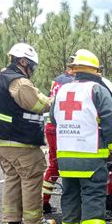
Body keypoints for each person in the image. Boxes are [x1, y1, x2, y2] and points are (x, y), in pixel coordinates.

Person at [0, 43, 56, 224]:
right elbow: (38, 104)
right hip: (17, 139)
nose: (32, 70)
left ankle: (11, 221)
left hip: (0, 139)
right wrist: (55, 100)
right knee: (31, 177)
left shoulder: (2, 76)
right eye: (32, 65)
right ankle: (34, 222)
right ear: (23, 61)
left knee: (13, 177)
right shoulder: (19, 82)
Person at [51, 49, 112, 224]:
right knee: (93, 192)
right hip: (89, 153)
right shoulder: (97, 90)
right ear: (95, 70)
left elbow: (54, 119)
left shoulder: (61, 91)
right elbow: (110, 118)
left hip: (65, 154)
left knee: (70, 191)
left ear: (75, 70)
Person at [42, 67, 74, 215]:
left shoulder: (57, 80)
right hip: (62, 127)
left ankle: (43, 201)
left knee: (54, 165)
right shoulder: (71, 83)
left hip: (51, 126)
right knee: (69, 164)